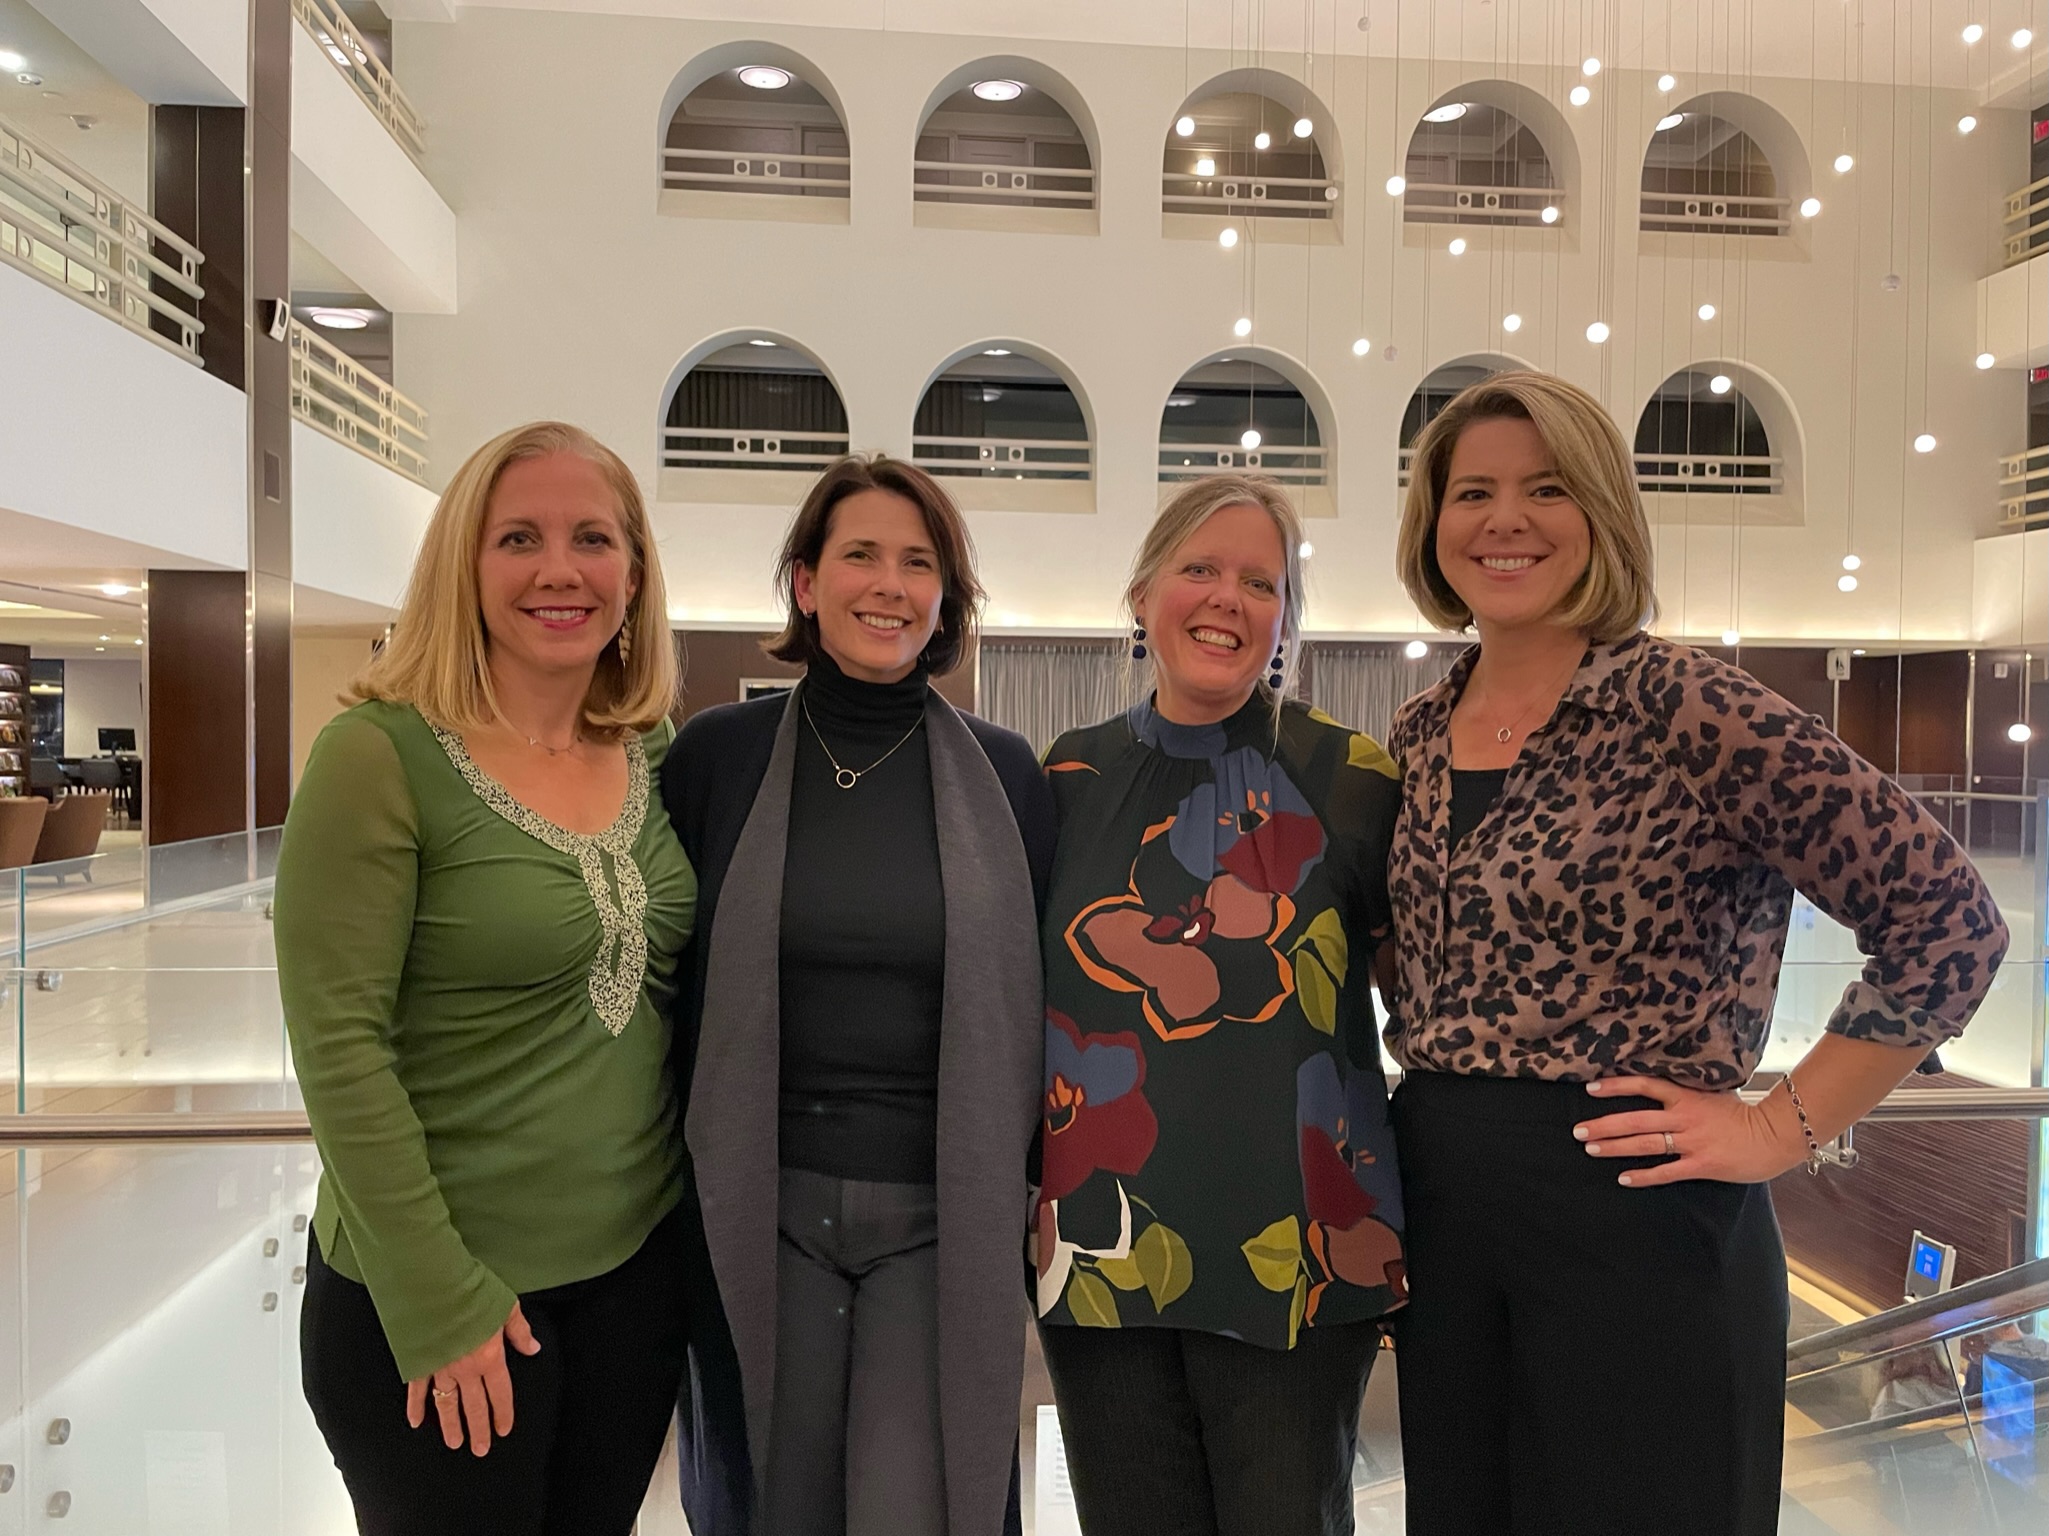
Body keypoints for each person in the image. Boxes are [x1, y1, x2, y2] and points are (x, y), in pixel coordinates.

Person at [1382, 370, 2009, 1536]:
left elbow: (1949, 921)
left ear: (1604, 512)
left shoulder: (1689, 708)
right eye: (1472, 492)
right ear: (1433, 523)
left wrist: (1780, 1128)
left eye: (1547, 488)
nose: (1506, 519)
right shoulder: (1417, 735)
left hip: (1641, 1217)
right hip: (1446, 1218)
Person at [275, 422, 698, 1535]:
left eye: (592, 538)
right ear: (462, 565)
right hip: (445, 1301)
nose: (560, 569)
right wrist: (436, 1298)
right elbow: (338, 1049)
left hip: (631, 1284)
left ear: (633, 573)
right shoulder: (377, 756)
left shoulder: (651, 749)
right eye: (519, 538)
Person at [661, 454, 1053, 1536]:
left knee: (912, 1505)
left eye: (918, 563)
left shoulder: (1007, 776)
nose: (890, 584)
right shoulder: (715, 759)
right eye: (861, 556)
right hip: (762, 1204)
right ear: (805, 581)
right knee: (774, 1503)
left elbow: (1048, 1007)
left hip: (939, 1215)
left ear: (946, 597)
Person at [1034, 474, 1405, 1536]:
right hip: (1102, 1256)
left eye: (1260, 582)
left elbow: (1421, 995)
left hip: (1297, 1256)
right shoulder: (1065, 778)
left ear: (1285, 618)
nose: (1227, 599)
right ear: (1142, 594)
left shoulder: (1351, 777)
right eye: (1199, 568)